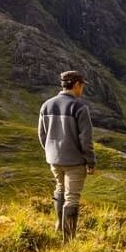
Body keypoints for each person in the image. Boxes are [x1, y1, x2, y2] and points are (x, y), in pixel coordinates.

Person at [37, 70, 96, 241]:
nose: (82, 89)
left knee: (60, 189)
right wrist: (91, 161)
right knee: (72, 197)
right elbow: (86, 139)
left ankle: (58, 227)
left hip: (54, 159)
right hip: (75, 161)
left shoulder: (46, 105)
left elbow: (42, 134)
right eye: (82, 85)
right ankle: (68, 239)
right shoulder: (79, 107)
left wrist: (51, 152)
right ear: (77, 85)